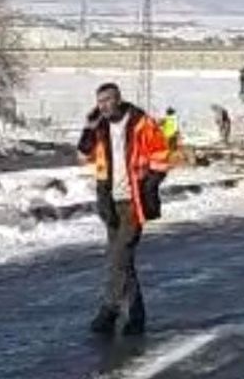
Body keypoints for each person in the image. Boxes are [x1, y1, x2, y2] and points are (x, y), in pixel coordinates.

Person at [77, 83, 171, 336]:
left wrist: (148, 184)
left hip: (134, 201)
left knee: (120, 257)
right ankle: (136, 317)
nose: (104, 105)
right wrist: (89, 127)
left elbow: (162, 156)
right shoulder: (100, 127)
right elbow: (84, 154)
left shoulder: (141, 122)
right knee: (122, 262)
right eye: (100, 101)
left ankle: (109, 310)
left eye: (108, 100)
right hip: (110, 201)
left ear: (118, 99)